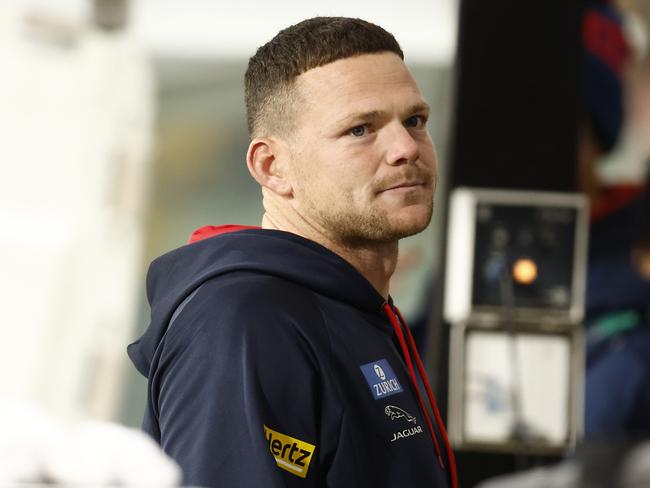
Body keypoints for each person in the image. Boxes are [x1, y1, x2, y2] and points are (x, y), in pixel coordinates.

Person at [127, 17, 457, 488]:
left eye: (415, 120)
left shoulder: (353, 309)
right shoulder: (248, 320)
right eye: (360, 129)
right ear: (272, 166)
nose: (406, 147)